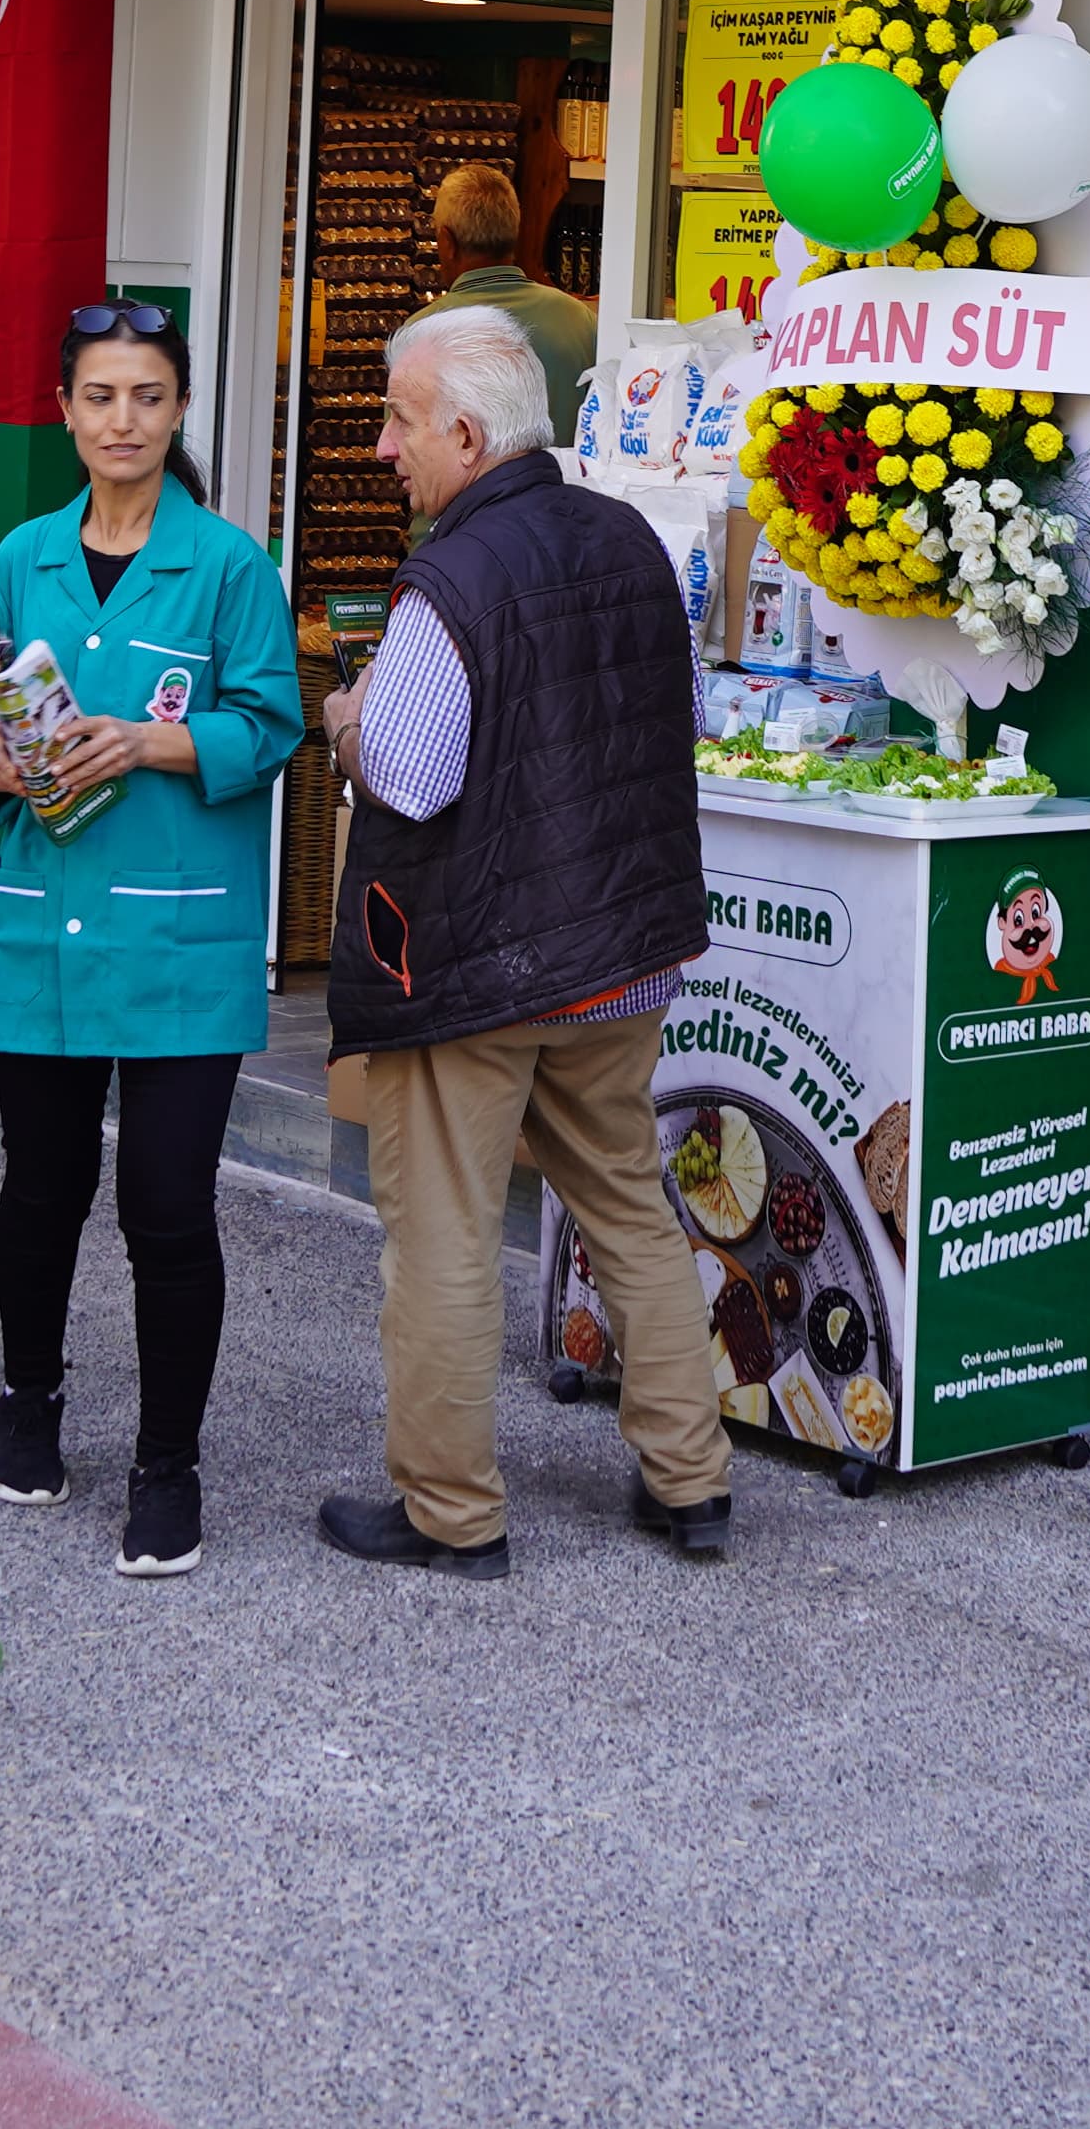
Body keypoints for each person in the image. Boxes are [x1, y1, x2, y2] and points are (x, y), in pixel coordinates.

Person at [316, 303, 729, 1579]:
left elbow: (412, 773)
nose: (385, 447)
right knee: (628, 1202)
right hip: (619, 956)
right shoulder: (633, 540)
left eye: (397, 419)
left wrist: (344, 719)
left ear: (466, 431)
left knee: (439, 1233)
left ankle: (451, 1512)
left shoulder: (454, 575)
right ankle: (692, 1482)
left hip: (478, 964)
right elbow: (680, 719)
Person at [0, 299, 306, 1579]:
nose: (123, 421)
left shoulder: (227, 567)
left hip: (180, 952)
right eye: (101, 396)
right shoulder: (20, 558)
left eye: (148, 397)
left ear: (179, 410)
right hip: (49, 931)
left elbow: (274, 725)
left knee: (168, 1209)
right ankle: (29, 1404)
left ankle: (168, 1468)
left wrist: (155, 738)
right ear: (66, 409)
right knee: (39, 1193)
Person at [427, 166, 594, 402]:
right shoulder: (581, 321)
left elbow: (399, 438)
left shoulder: (419, 336)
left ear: (447, 242)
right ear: (515, 230)